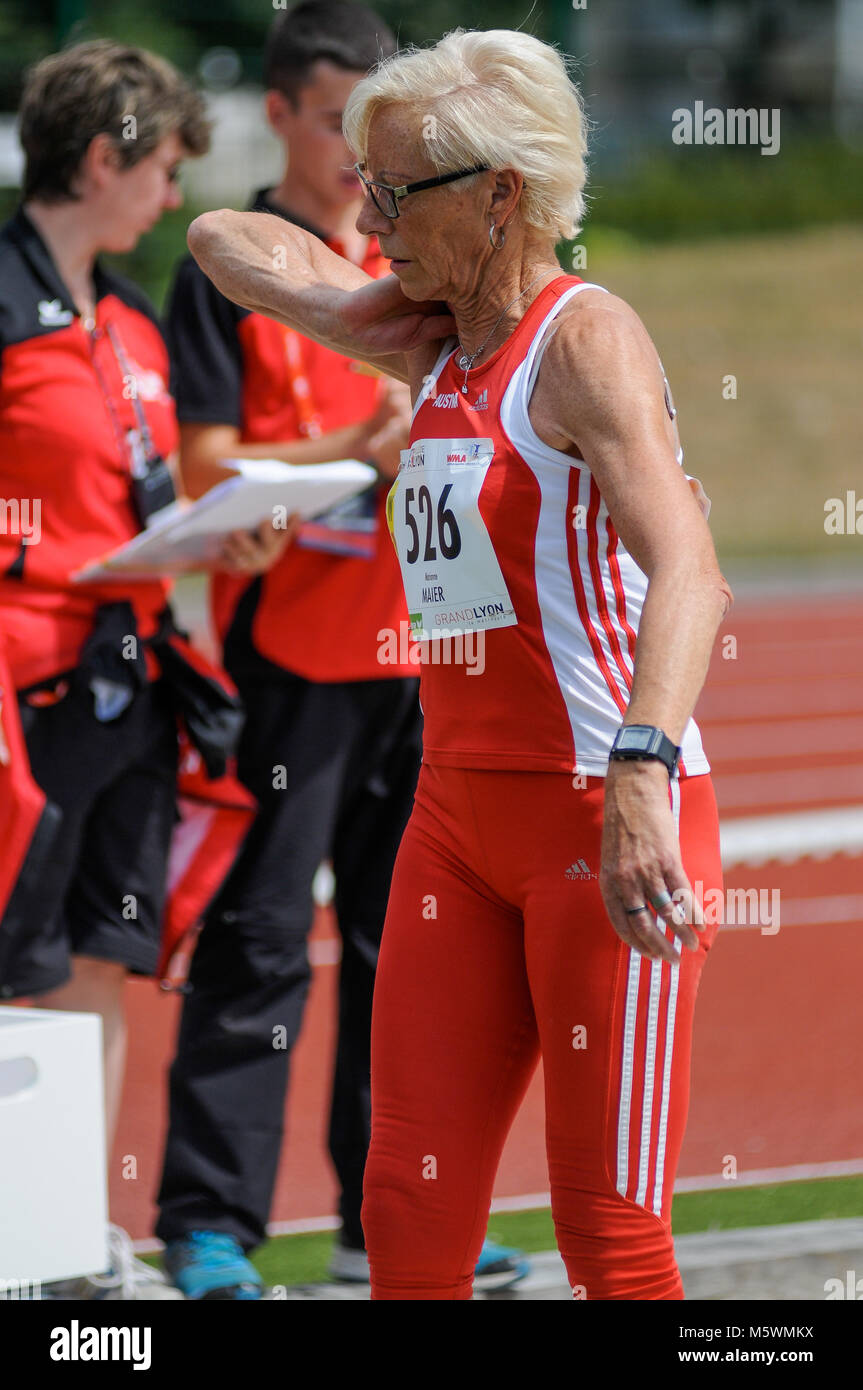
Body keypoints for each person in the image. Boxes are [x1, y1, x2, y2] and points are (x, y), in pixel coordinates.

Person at [188, 26, 735, 1301]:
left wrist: (644, 767)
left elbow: (692, 571)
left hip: (603, 811)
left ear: (502, 193)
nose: (366, 213)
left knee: (608, 1228)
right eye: (361, 184)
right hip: (454, 821)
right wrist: (342, 303)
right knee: (406, 1206)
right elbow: (224, 241)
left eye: (395, 191)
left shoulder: (583, 341)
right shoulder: (429, 338)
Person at [155, 2, 529, 1298]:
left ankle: (396, 1219)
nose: (360, 163)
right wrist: (343, 459)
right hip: (294, 664)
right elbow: (203, 466)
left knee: (411, 954)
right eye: (338, 128)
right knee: (260, 943)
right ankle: (210, 1223)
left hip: (420, 665)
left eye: (387, 141)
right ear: (282, 114)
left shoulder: (421, 265)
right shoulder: (251, 273)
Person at [0, 39, 211, 1298]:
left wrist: (214, 525)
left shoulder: (133, 320)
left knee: (100, 954)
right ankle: (11, 1239)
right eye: (167, 165)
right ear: (102, 158)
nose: (176, 194)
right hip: (22, 682)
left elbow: (139, 484)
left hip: (133, 670)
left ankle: (73, 1236)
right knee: (14, 966)